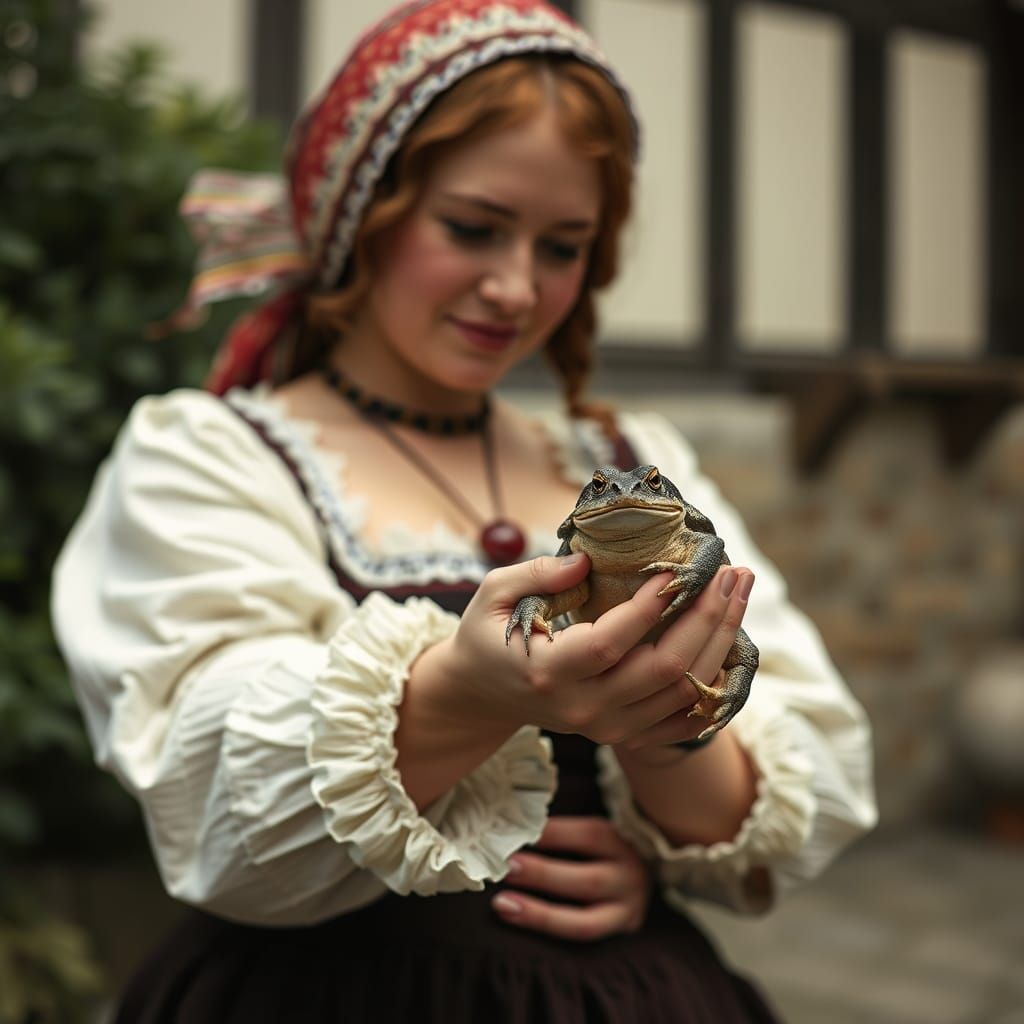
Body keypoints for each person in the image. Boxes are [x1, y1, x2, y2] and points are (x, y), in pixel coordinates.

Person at [51, 0, 877, 1020]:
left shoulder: (634, 462)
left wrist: (657, 775)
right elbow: (210, 795)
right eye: (472, 227)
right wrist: (467, 694)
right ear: (365, 212)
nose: (514, 288)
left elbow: (785, 780)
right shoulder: (215, 456)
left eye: (563, 246)